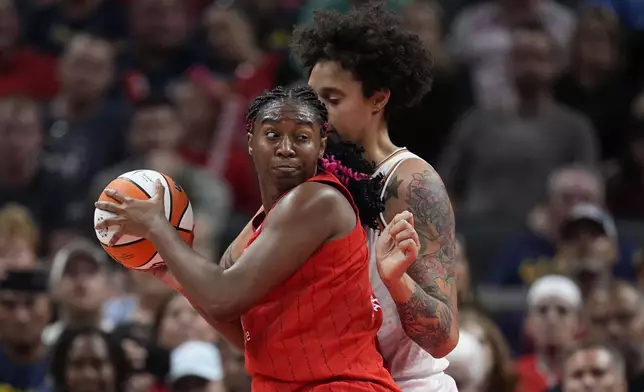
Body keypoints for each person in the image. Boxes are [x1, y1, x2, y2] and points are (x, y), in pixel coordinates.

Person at [95, 84, 418, 391]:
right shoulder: (259, 227)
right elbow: (249, 336)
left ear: (321, 145)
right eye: (273, 135)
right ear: (251, 142)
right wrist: (174, 276)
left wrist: (158, 227)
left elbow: (222, 299)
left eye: (302, 137)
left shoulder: (318, 200)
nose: (286, 148)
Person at [290, 1, 459, 390]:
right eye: (312, 100)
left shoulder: (410, 182)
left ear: (378, 98)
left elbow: (444, 338)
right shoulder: (310, 176)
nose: (316, 114)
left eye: (332, 100)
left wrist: (397, 281)